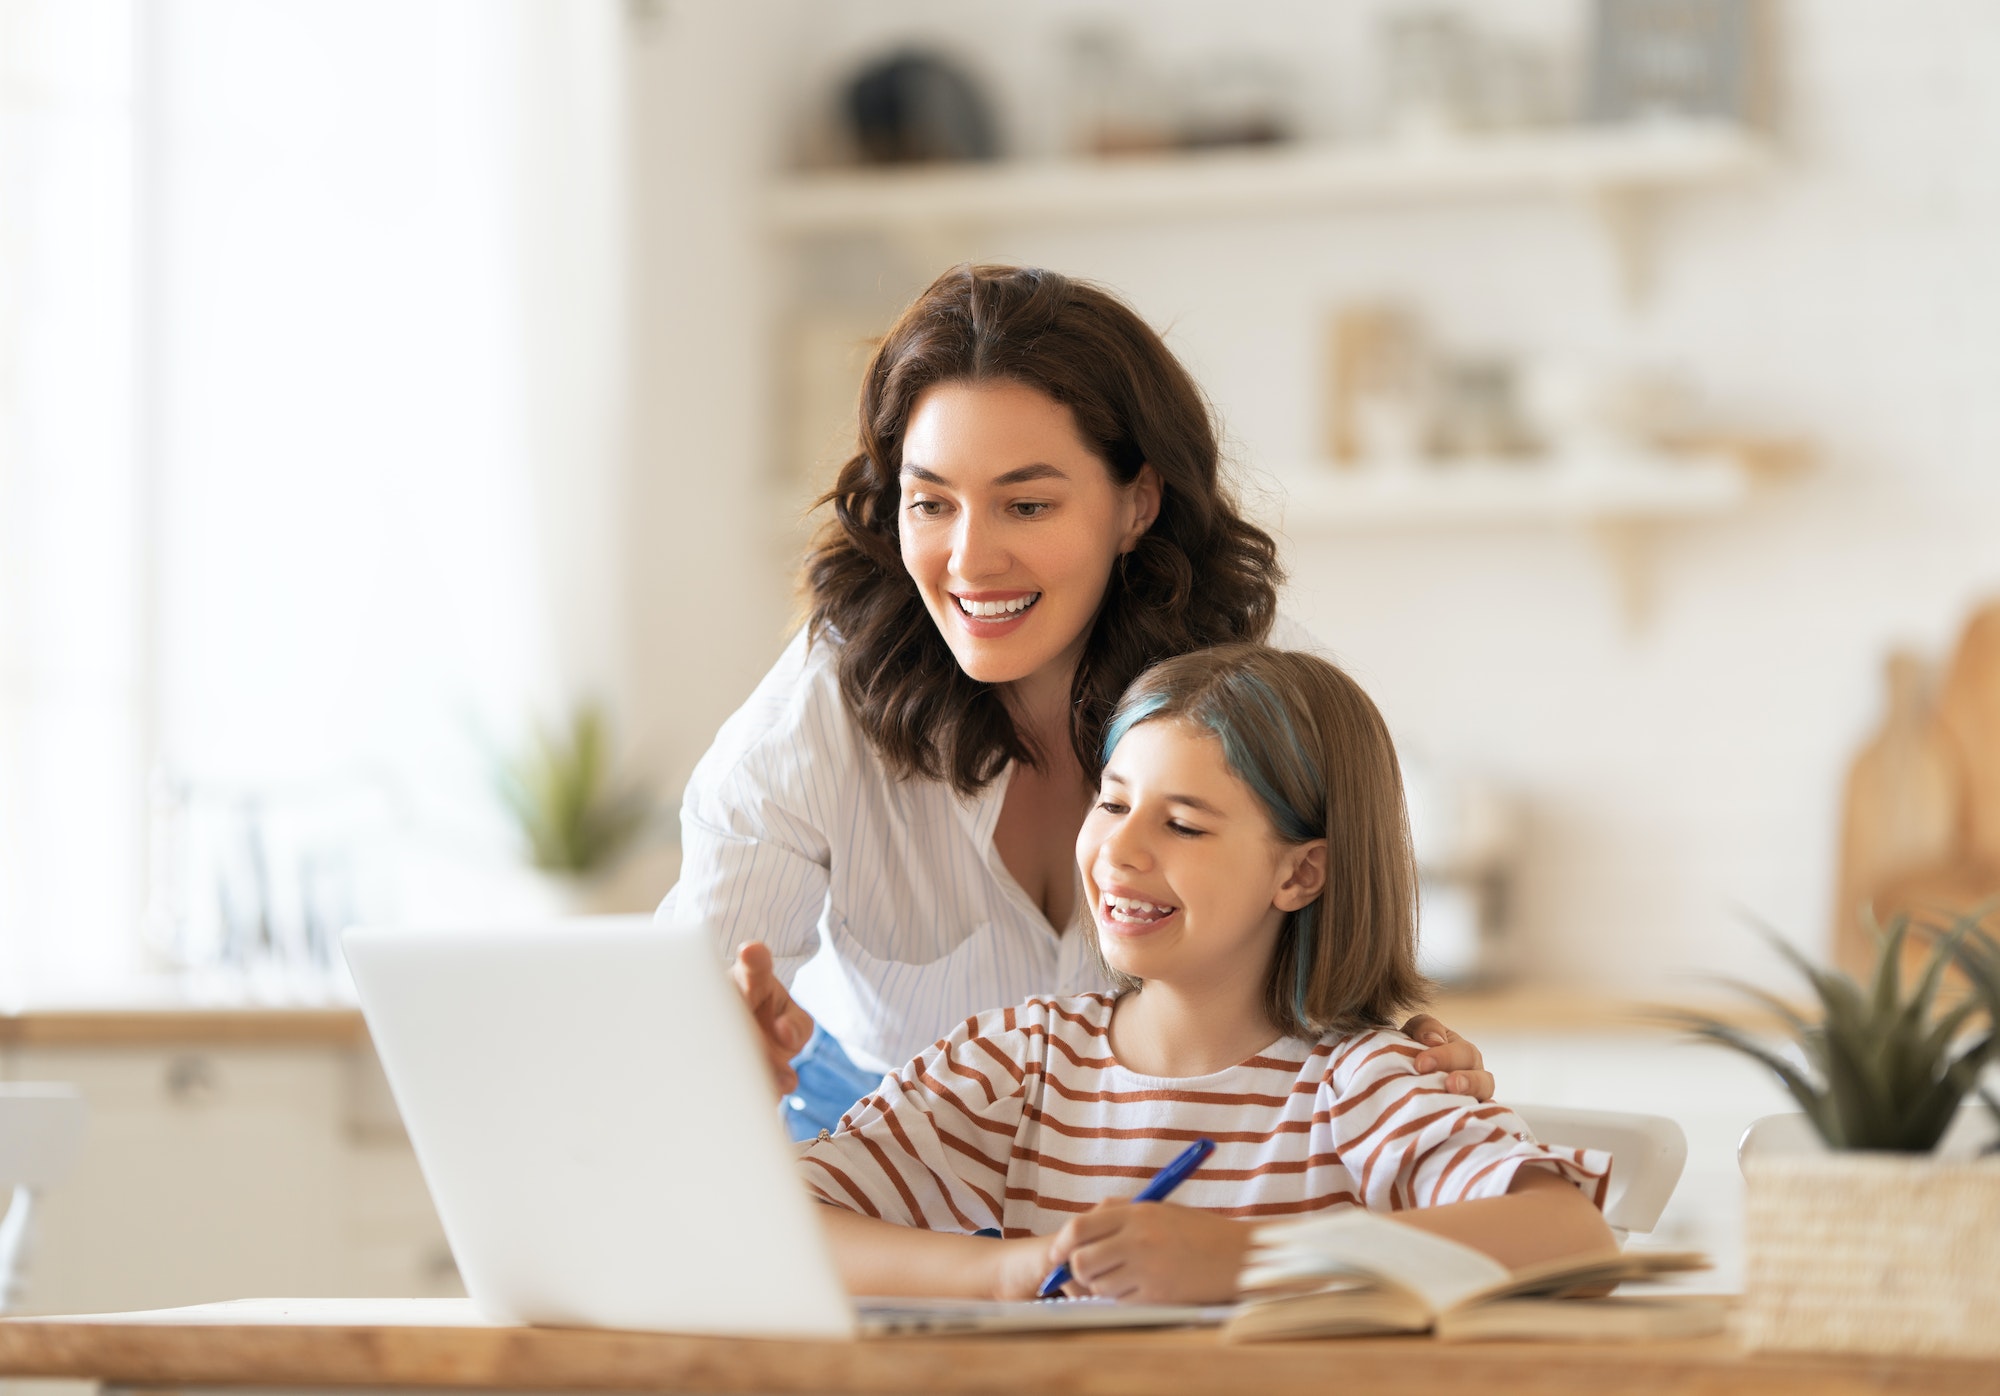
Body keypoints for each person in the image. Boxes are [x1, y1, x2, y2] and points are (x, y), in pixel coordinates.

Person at [657, 264, 1493, 1137]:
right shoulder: (826, 702)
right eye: (931, 502)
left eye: (1026, 504)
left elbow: (1323, 999)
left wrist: (1402, 1063)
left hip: (1125, 1148)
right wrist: (720, 1042)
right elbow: (695, 997)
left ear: (1137, 503)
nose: (970, 561)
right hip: (860, 1123)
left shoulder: (1245, 711)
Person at [798, 645, 1616, 1303]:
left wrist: (1249, 1260)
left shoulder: (1358, 1085)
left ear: (1300, 875)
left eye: (1183, 824)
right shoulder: (1021, 1064)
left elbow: (1572, 1236)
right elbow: (776, 1218)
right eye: (1112, 804)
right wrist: (1016, 1269)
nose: (1120, 851)